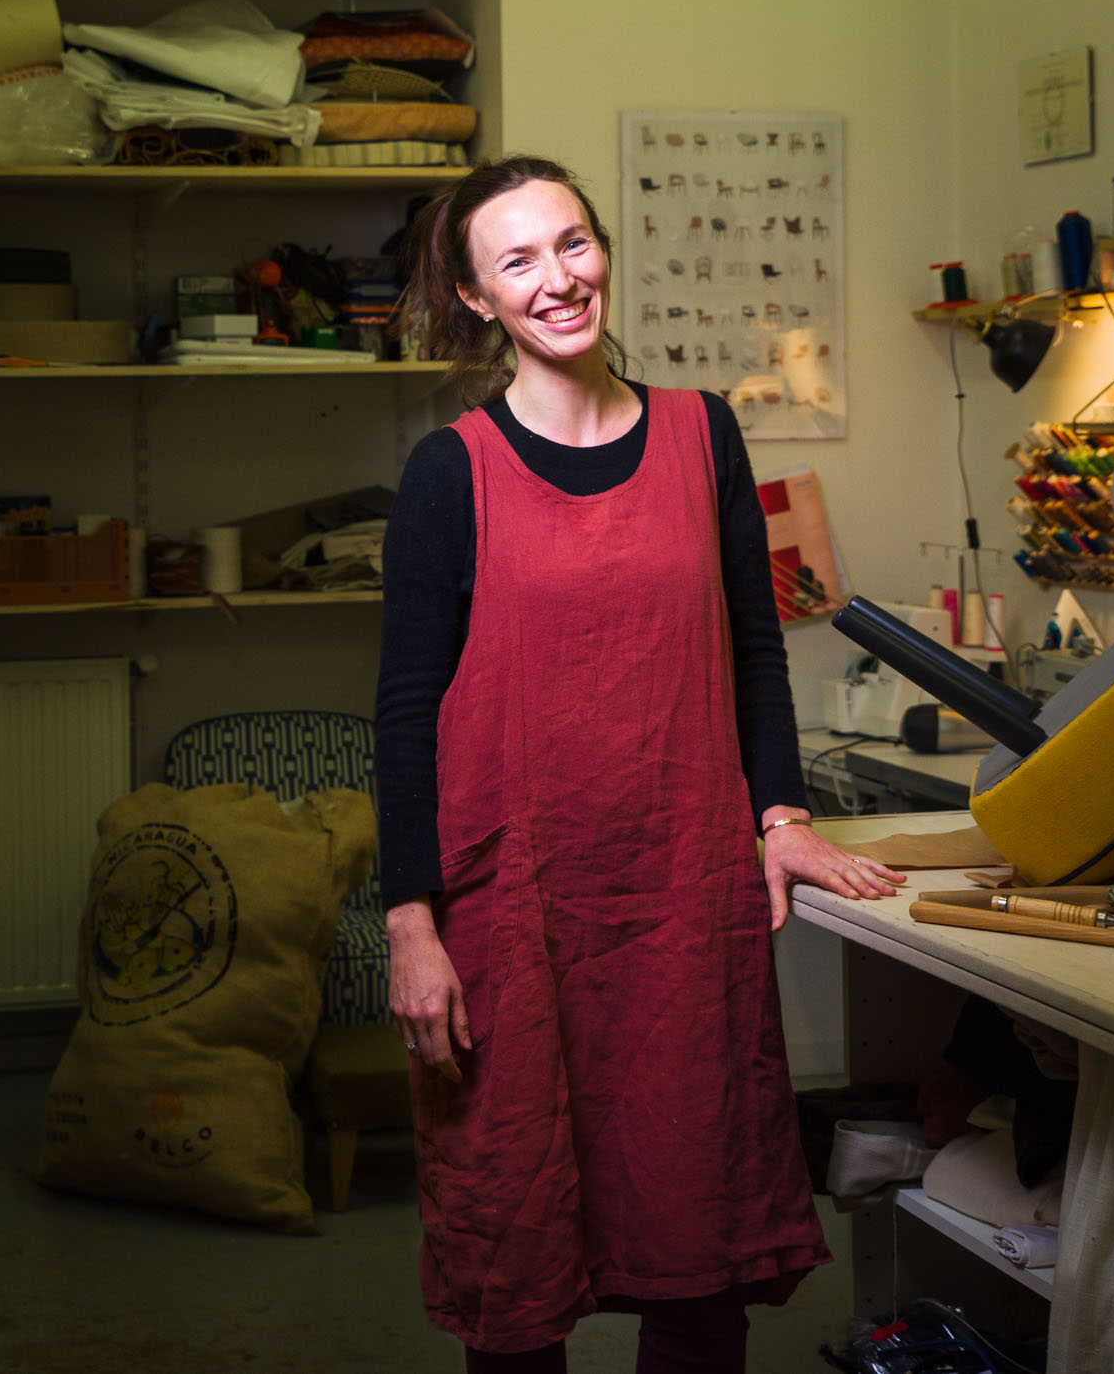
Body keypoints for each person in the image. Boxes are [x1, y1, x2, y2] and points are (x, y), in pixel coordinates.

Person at [375, 154, 905, 1372]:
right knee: (518, 1244)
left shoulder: (700, 431)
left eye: (573, 243)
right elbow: (403, 713)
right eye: (518, 261)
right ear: (476, 298)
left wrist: (780, 813)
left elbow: (752, 647)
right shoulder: (448, 472)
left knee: (695, 1253)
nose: (558, 280)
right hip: (514, 911)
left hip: (678, 906)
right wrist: (410, 922)